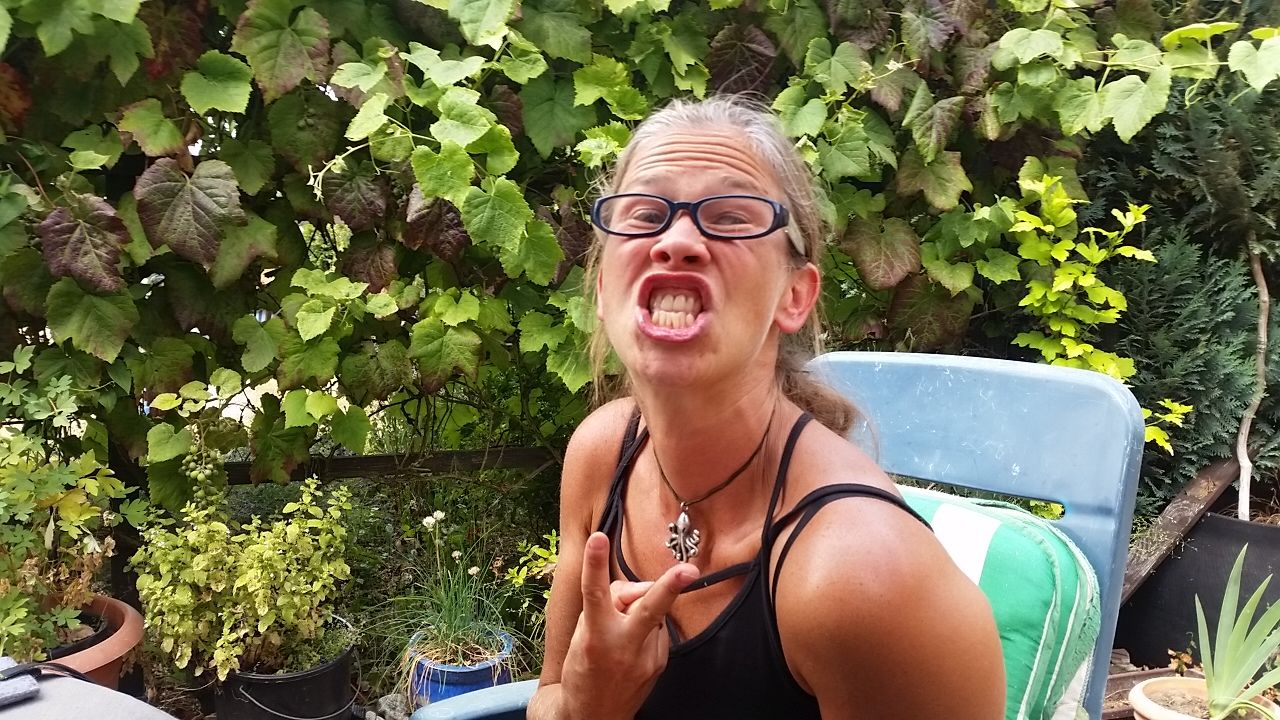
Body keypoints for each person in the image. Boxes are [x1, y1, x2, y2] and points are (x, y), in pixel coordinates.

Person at [527, 96, 1005, 720]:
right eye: (644, 214)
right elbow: (548, 699)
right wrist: (586, 705)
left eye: (730, 218)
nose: (676, 241)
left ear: (794, 295)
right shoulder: (600, 454)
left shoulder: (867, 581)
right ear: (601, 288)